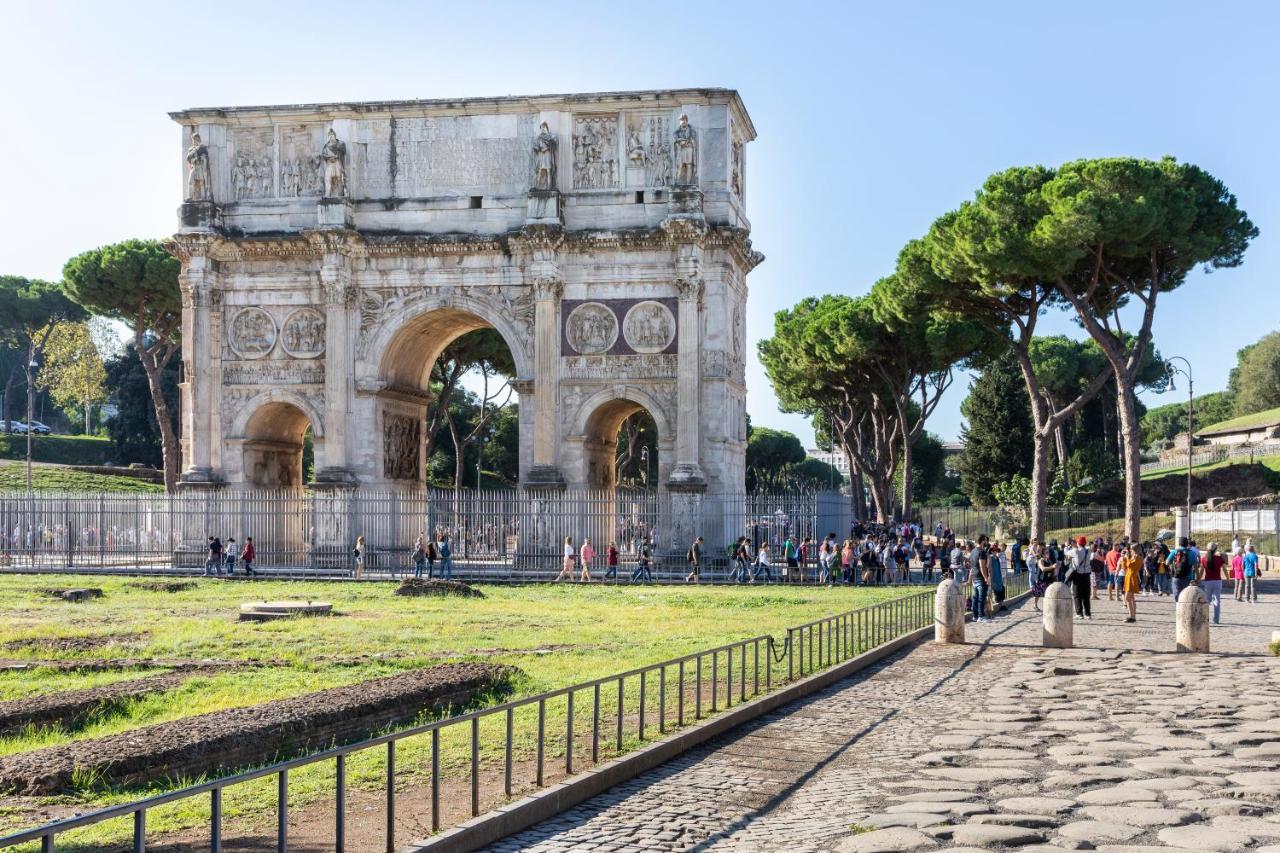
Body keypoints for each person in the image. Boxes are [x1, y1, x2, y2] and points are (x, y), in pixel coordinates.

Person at [1065, 535, 1092, 620]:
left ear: (1078, 543)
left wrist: (1068, 546)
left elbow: (1066, 553)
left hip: (1078, 574)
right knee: (1086, 595)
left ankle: (1079, 613)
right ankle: (1088, 613)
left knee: (1077, 595)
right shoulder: (1088, 551)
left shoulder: (1075, 551)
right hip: (1087, 575)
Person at [1200, 542, 1226, 625]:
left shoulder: (1204, 559)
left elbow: (1201, 571)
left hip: (1208, 581)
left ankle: (1205, 618)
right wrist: (1228, 578)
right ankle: (1216, 620)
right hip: (1217, 581)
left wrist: (1198, 579)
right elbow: (1224, 569)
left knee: (1207, 600)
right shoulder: (1219, 558)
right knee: (1217, 601)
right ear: (1216, 549)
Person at [971, 536, 991, 623]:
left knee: (975, 597)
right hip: (980, 577)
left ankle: (975, 616)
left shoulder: (973, 551)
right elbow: (982, 566)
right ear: (983, 541)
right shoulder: (981, 552)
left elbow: (972, 564)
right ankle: (981, 616)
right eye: (986, 540)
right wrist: (986, 578)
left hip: (974, 576)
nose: (986, 542)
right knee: (981, 598)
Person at [1120, 543, 1142, 623]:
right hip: (1128, 577)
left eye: (1132, 550)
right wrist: (1124, 559)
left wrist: (1126, 558)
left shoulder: (1138, 558)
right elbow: (1125, 567)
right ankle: (1132, 616)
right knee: (1131, 598)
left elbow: (1130, 566)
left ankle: (1132, 616)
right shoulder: (1133, 557)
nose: (1130, 551)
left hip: (1132, 577)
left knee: (1127, 598)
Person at [989, 542, 1006, 612]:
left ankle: (1001, 605)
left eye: (997, 551)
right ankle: (996, 604)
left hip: (999, 577)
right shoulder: (991, 558)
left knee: (1002, 590)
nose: (996, 552)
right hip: (994, 578)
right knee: (995, 591)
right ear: (992, 551)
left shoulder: (996, 559)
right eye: (995, 551)